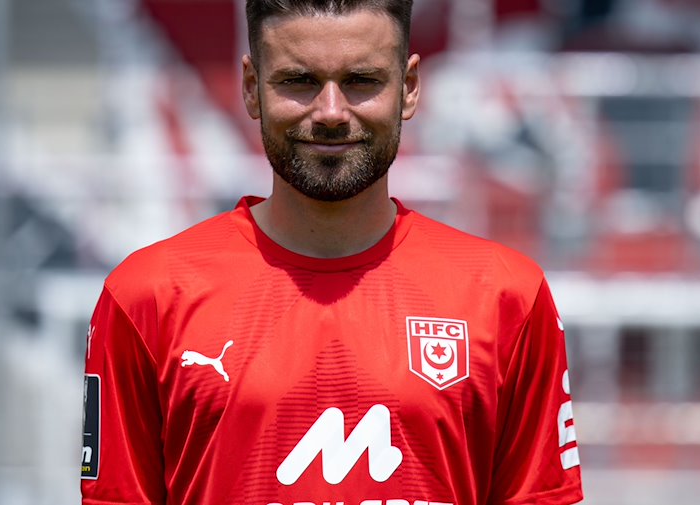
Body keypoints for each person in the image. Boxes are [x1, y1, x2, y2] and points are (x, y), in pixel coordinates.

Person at [80, 1, 584, 504]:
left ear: (408, 88)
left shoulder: (506, 297)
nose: (331, 113)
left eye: (362, 80)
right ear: (252, 88)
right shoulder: (145, 298)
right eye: (298, 82)